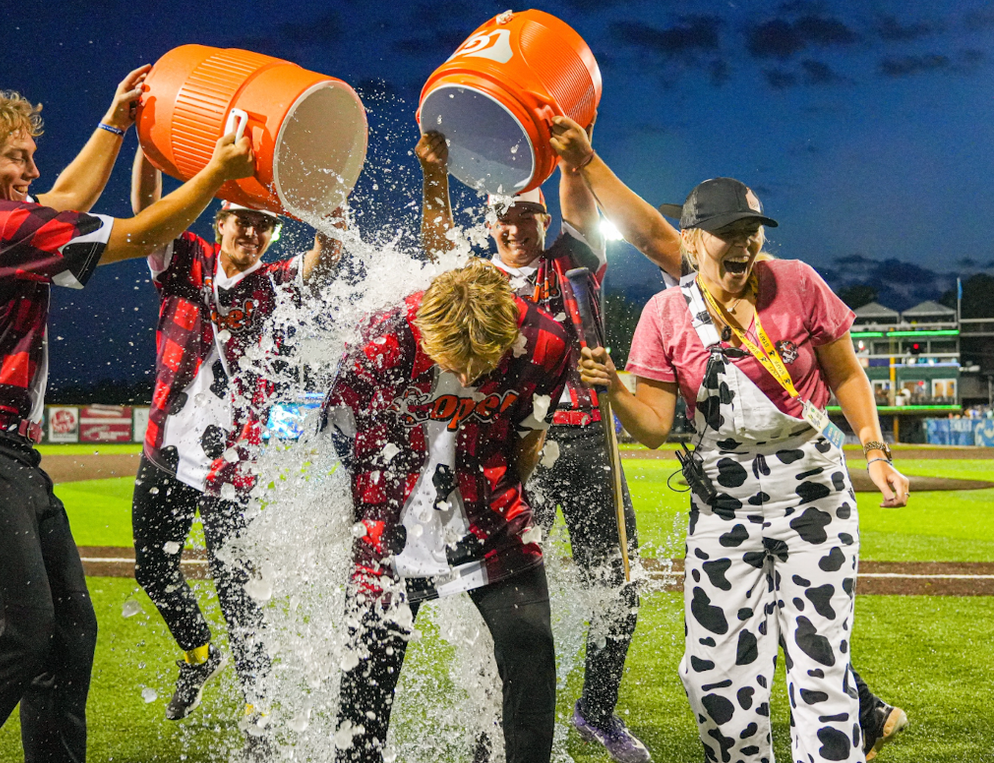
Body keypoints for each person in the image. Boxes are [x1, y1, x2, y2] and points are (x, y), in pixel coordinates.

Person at [0, 72, 258, 763]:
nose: (32, 169)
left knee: (66, 632)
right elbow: (140, 230)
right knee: (14, 635)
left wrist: (115, 123)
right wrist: (215, 173)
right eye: (16, 156)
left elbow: (60, 200)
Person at [576, 172, 911, 763]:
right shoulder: (664, 314)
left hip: (815, 507)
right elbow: (654, 428)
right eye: (728, 231)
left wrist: (874, 451)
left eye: (752, 230)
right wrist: (613, 391)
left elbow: (847, 373)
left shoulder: (800, 282)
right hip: (722, 517)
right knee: (715, 680)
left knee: (821, 673)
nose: (745, 243)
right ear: (692, 239)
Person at [416, 122, 681, 763]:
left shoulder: (571, 262)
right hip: (507, 453)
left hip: (586, 437)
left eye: (526, 214)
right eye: (503, 215)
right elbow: (436, 247)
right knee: (498, 590)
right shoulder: (472, 279)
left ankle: (598, 709)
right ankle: (492, 723)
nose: (514, 226)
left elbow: (581, 209)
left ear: (543, 218)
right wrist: (433, 174)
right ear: (490, 223)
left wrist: (569, 159)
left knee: (615, 581)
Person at [321, 259, 571, 763]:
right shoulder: (380, 338)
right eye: (451, 359)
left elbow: (531, 432)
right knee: (366, 688)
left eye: (482, 363)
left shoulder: (547, 344)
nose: (463, 375)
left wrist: (498, 498)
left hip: (493, 511)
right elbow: (344, 436)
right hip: (388, 523)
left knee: (531, 655)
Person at [129, 145, 344, 725]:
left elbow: (323, 258)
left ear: (273, 235)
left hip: (234, 467)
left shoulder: (276, 283)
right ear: (218, 222)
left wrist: (329, 201)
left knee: (238, 591)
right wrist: (147, 145)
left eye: (263, 223)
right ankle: (198, 656)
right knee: (151, 568)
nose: (251, 230)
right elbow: (148, 209)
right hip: (165, 453)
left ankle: (259, 704)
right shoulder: (185, 261)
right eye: (240, 219)